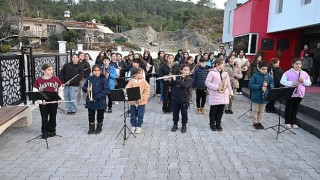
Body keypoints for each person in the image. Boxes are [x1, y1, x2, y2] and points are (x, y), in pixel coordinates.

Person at [33, 64, 63, 139]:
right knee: (44, 117)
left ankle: (52, 130)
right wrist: (39, 100)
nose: (51, 71)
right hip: (43, 101)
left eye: (52, 69)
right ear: (43, 71)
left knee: (53, 116)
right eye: (49, 69)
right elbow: (35, 91)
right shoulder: (39, 80)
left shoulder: (55, 79)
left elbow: (60, 89)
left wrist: (60, 98)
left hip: (53, 101)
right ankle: (45, 131)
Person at [280, 58, 311, 129]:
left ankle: (293, 122)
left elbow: (309, 83)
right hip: (291, 93)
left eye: (300, 64)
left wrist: (303, 81)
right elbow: (282, 81)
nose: (298, 65)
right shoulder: (288, 72)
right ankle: (287, 122)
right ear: (292, 64)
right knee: (289, 107)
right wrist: (292, 83)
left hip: (300, 93)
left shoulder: (304, 73)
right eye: (296, 64)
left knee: (295, 108)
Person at [205, 59, 233, 131]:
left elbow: (228, 84)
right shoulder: (212, 73)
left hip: (223, 94)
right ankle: (212, 124)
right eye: (222, 63)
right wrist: (216, 87)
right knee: (213, 110)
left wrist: (230, 92)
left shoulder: (225, 73)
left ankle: (218, 123)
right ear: (217, 64)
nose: (224, 65)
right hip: (215, 94)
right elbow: (207, 83)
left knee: (220, 111)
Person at [82, 65, 109, 134]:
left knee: (100, 115)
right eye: (95, 70)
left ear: (100, 71)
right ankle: (91, 127)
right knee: (91, 115)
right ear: (92, 71)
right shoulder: (89, 78)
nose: (96, 72)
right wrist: (86, 89)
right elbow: (84, 87)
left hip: (100, 100)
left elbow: (106, 90)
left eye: (98, 70)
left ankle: (99, 127)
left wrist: (96, 97)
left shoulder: (104, 79)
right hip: (90, 100)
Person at [248, 62, 274, 130]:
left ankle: (259, 122)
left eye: (266, 69)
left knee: (261, 111)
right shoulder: (255, 76)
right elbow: (250, 84)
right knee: (255, 110)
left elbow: (272, 85)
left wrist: (268, 86)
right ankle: (255, 122)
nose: (264, 70)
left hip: (264, 96)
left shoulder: (268, 76)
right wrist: (259, 87)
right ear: (259, 68)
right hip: (256, 96)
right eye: (263, 69)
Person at [126, 68, 150, 134]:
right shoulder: (131, 81)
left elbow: (147, 91)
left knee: (140, 114)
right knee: (133, 114)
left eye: (141, 73)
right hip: (133, 102)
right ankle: (133, 125)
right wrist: (133, 98)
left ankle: (139, 126)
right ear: (135, 74)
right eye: (139, 74)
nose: (141, 75)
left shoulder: (144, 81)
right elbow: (127, 89)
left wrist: (141, 97)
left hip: (141, 102)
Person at [170, 64, 193, 133]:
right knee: (175, 113)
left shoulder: (190, 79)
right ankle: (175, 125)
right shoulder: (177, 77)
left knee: (184, 114)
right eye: (185, 70)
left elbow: (185, 85)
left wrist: (176, 81)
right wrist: (169, 79)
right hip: (175, 99)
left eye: (188, 70)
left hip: (184, 100)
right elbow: (171, 84)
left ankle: (184, 125)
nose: (186, 71)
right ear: (181, 70)